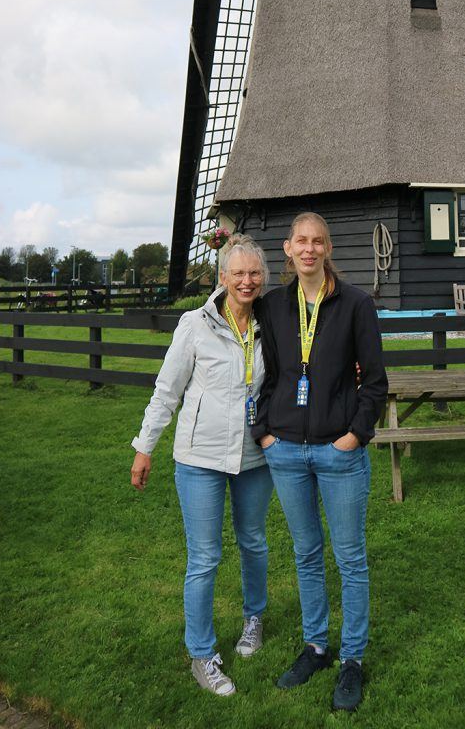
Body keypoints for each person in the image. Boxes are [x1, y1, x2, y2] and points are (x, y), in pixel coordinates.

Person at [253, 212, 388, 712]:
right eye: (300, 242)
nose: (309, 250)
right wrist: (262, 432)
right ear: (287, 249)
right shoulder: (273, 306)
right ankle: (315, 646)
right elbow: (262, 374)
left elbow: (375, 381)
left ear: (328, 248)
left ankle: (351, 658)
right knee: (307, 553)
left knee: (350, 559)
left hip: (338, 449)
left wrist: (355, 435)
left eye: (318, 242)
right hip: (285, 449)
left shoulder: (356, 304)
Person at [130, 234, 273, 698]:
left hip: (253, 456)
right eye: (239, 273)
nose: (247, 281)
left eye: (254, 273)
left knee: (253, 541)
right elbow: (167, 389)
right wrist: (145, 445)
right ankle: (202, 653)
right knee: (205, 557)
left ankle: (254, 619)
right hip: (200, 458)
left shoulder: (271, 325)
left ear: (263, 278)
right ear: (222, 277)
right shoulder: (195, 324)